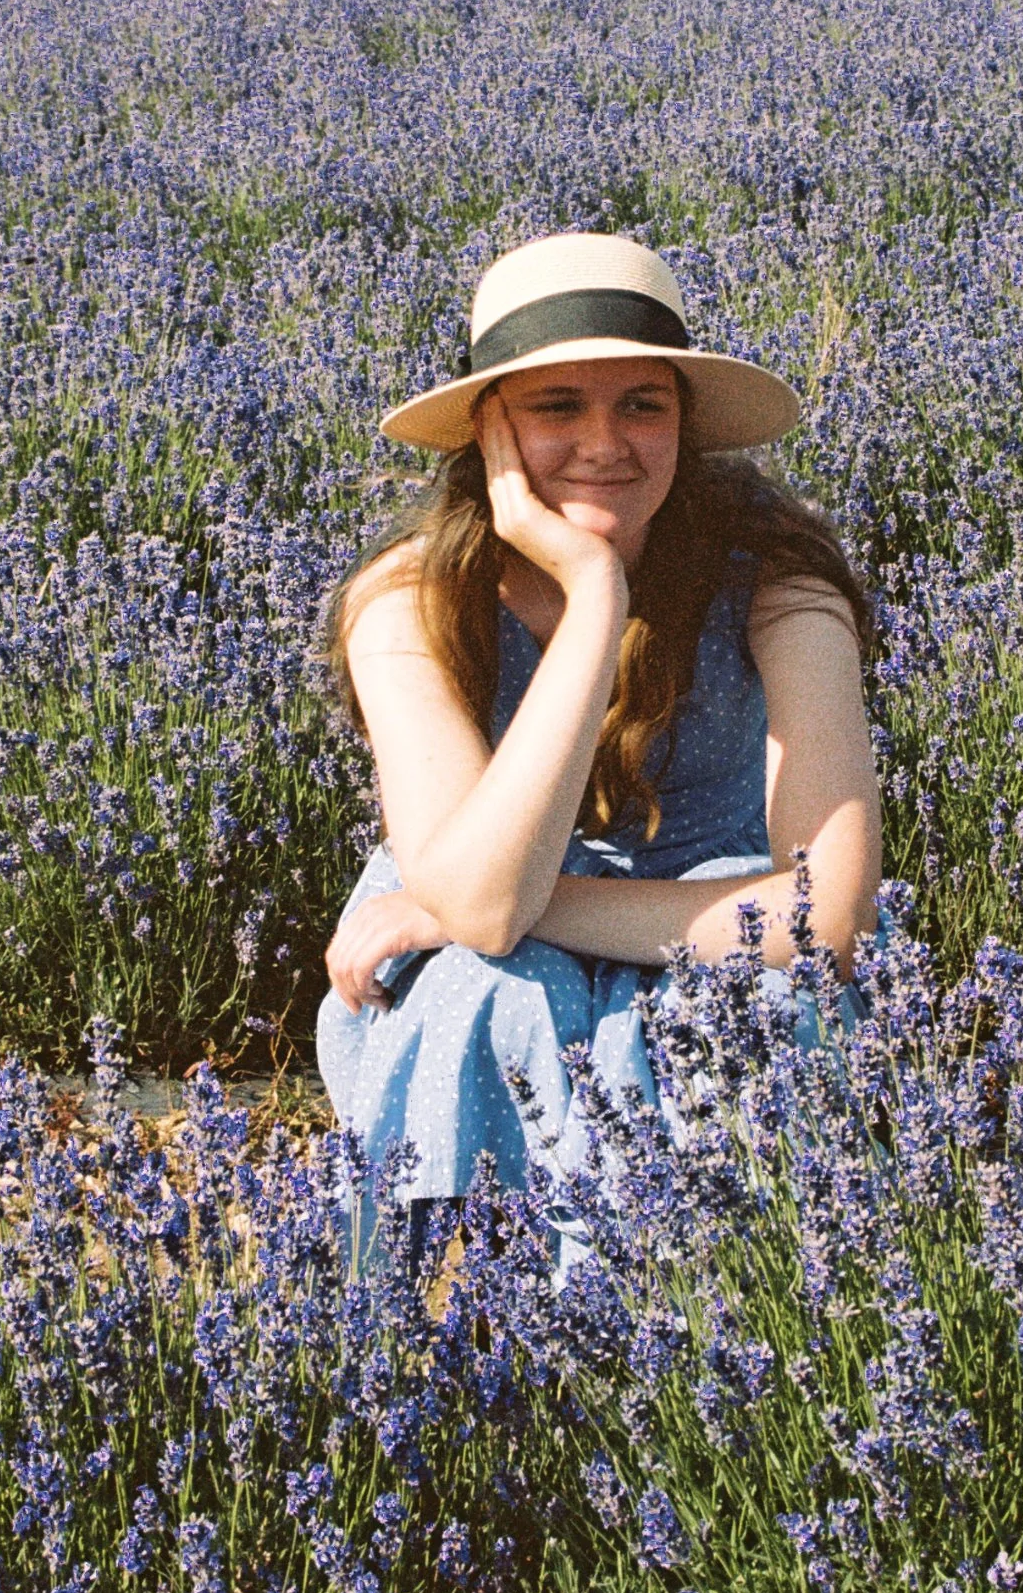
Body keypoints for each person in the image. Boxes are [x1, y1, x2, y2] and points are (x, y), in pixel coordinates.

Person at [316, 233, 881, 1243]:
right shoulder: (408, 601)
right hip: (490, 936)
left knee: (726, 1022)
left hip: (711, 923)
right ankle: (431, 1343)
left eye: (641, 405)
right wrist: (590, 597)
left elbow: (822, 913)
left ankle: (679, 1359)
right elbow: (489, 912)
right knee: (490, 992)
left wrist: (500, 906)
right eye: (556, 406)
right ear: (486, 432)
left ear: (686, 424)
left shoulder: (781, 589)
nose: (604, 443)